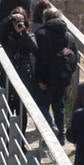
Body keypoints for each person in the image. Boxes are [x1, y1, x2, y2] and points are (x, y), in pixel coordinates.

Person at [33, 7, 77, 142]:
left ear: (45, 19)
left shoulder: (41, 34)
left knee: (41, 106)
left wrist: (40, 80)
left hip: (46, 79)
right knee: (59, 105)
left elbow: (41, 60)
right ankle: (61, 135)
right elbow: (74, 58)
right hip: (63, 78)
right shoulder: (69, 35)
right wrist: (68, 73)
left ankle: (51, 129)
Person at [0, 6, 37, 92]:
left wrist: (24, 32)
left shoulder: (29, 34)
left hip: (23, 74)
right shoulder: (6, 35)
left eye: (20, 21)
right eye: (15, 21)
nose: (17, 24)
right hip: (6, 71)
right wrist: (9, 18)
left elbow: (34, 49)